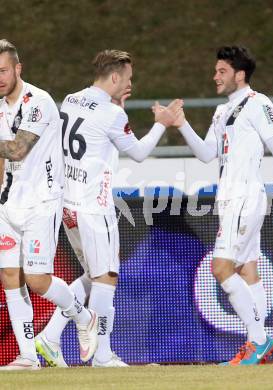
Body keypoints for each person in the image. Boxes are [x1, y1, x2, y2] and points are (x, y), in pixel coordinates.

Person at [35, 49, 183, 368]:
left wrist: (118, 110)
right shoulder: (112, 115)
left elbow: (97, 142)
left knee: (92, 274)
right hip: (94, 206)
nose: (131, 83)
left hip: (68, 205)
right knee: (106, 277)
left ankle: (49, 336)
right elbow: (139, 153)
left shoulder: (72, 100)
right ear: (115, 76)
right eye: (128, 78)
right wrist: (161, 124)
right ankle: (103, 357)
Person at [174, 46, 273, 365]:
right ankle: (258, 343)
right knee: (247, 269)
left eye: (222, 71)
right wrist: (182, 123)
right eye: (216, 71)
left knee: (221, 267)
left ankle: (258, 339)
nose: (215, 76)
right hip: (229, 199)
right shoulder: (221, 111)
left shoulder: (258, 104)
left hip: (245, 196)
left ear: (239, 75)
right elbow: (205, 153)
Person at [0, 39, 99, 370]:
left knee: (37, 279)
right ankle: (29, 357)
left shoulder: (38, 102)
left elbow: (15, 150)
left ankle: (84, 317)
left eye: (3, 70)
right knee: (10, 276)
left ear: (18, 69)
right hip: (8, 202)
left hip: (42, 201)